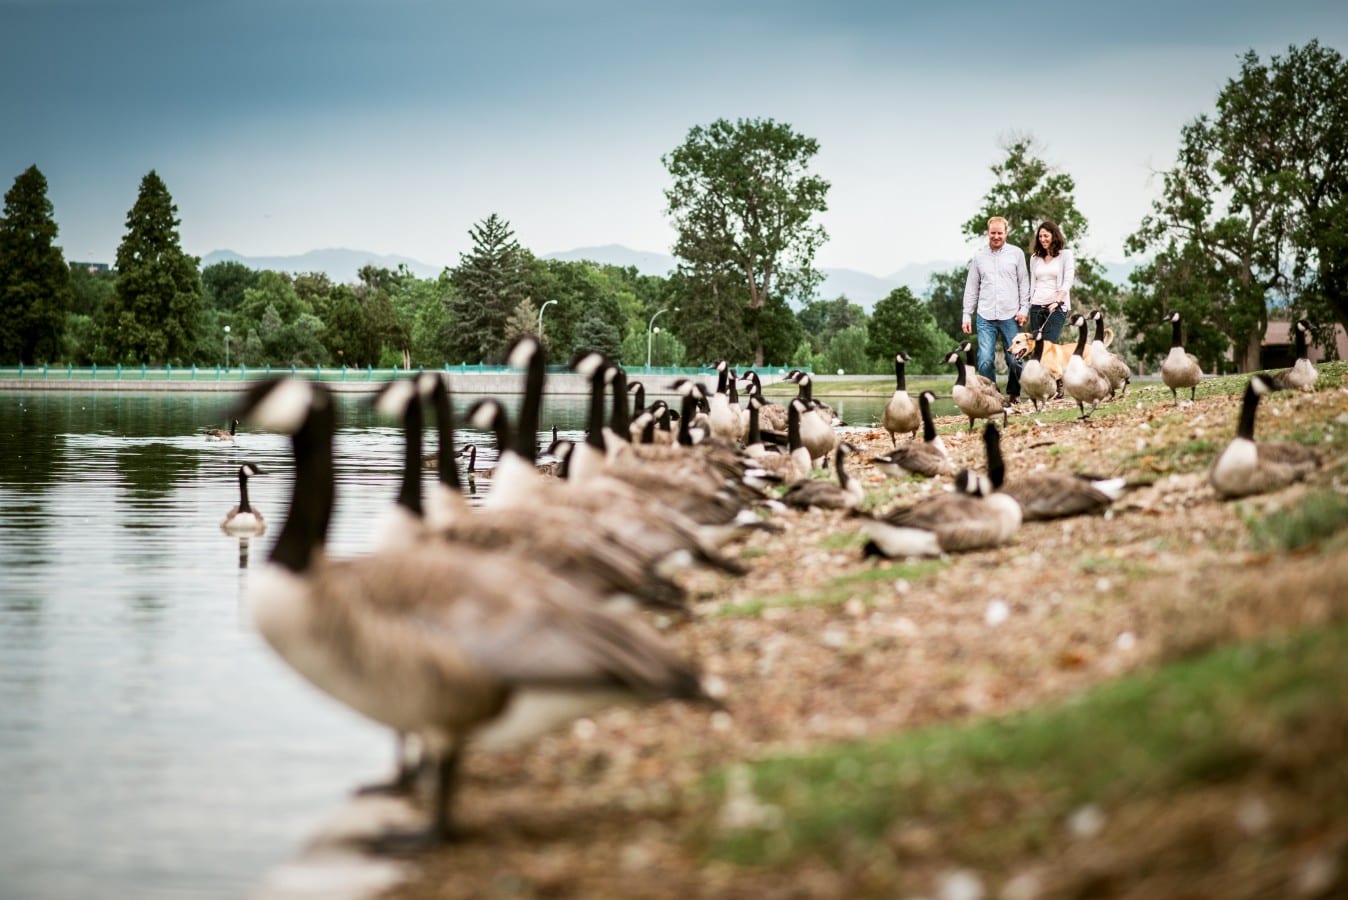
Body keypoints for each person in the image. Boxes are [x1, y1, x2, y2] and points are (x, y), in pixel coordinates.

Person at [962, 216, 1029, 402]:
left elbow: (1024, 283)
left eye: (1000, 233)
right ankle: (992, 396)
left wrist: (1024, 308)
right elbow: (972, 287)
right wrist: (966, 314)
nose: (996, 236)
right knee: (984, 360)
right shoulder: (979, 257)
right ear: (988, 233)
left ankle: (1014, 394)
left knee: (1015, 360)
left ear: (1006, 233)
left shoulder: (1016, 254)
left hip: (1011, 315)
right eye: (993, 233)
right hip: (985, 315)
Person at [1028, 219, 1074, 343]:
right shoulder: (1035, 258)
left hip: (1055, 307)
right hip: (1036, 306)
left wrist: (1057, 301)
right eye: (1040, 236)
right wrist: (1030, 303)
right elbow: (1033, 282)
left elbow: (1068, 280)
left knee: (1048, 345)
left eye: (1046, 236)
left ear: (1054, 236)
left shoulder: (1065, 255)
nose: (1043, 239)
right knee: (1037, 347)